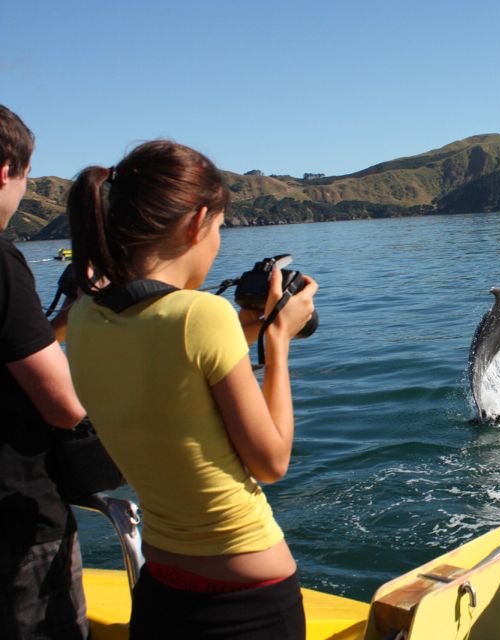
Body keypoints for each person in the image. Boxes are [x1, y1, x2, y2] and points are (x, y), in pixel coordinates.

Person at [65, 140, 318, 639]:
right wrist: (278, 341)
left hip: (161, 589)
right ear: (197, 221)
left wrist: (245, 333)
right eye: (220, 228)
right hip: (249, 601)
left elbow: (171, 372)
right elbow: (271, 463)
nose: (218, 240)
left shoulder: (83, 319)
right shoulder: (203, 316)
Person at [0, 104, 89, 639]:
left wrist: (60, 323)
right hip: (16, 520)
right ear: (6, 170)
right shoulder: (3, 263)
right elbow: (65, 405)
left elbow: (14, 349)